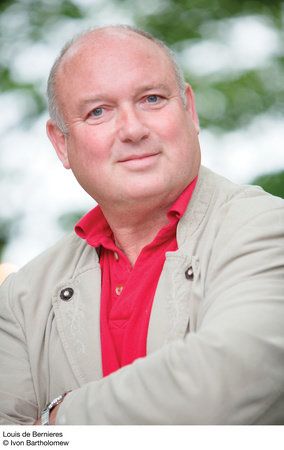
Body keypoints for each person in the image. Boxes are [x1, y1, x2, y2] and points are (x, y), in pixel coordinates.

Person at [0, 25, 283, 426]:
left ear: (190, 110)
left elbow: (219, 387)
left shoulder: (268, 228)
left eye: (152, 99)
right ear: (61, 143)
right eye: (98, 111)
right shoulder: (22, 297)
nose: (133, 130)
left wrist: (55, 420)